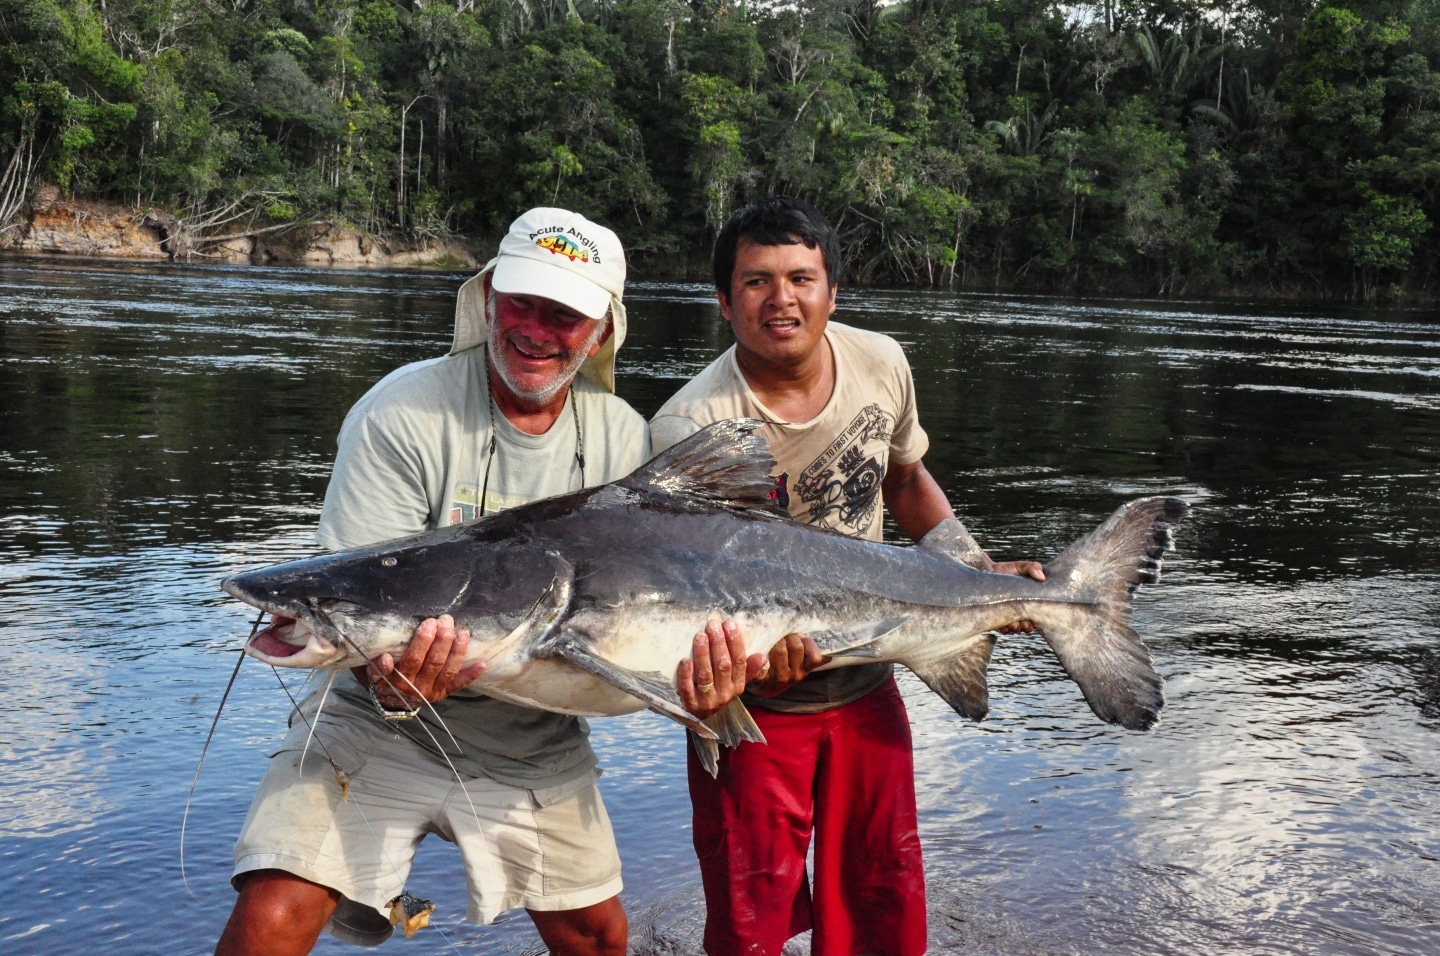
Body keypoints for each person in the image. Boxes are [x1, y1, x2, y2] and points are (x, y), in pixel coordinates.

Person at [215, 208, 749, 956]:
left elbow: (648, 647)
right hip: (371, 722)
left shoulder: (626, 440)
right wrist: (387, 680)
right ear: (489, 296)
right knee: (274, 910)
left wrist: (712, 688)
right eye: (523, 302)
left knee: (598, 938)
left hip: (534, 737)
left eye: (565, 315)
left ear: (599, 332)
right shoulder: (399, 412)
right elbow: (361, 586)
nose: (536, 329)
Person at [649, 196, 1045, 956]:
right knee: (748, 912)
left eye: (802, 277)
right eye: (757, 281)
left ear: (833, 292)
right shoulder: (690, 428)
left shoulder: (881, 362)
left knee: (882, 894)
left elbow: (904, 481)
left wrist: (976, 571)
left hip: (869, 683)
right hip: (751, 711)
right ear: (724, 303)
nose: (782, 298)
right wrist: (742, 673)